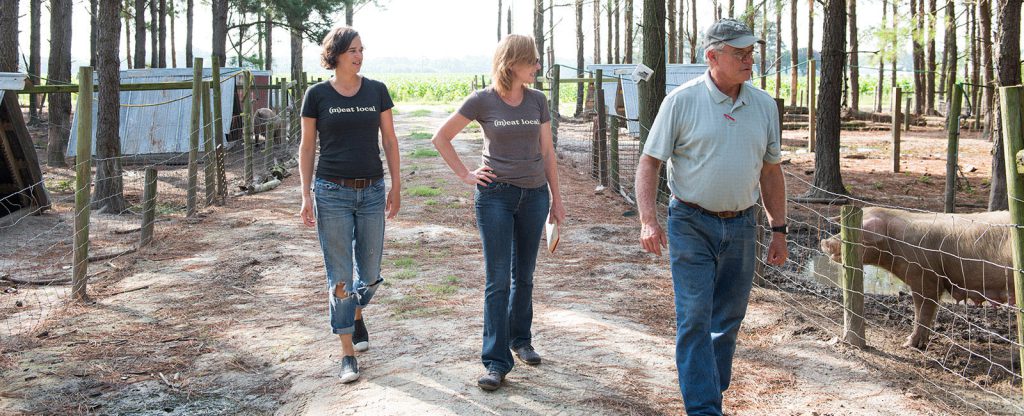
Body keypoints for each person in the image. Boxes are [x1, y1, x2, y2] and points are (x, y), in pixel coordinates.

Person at [634, 18, 789, 415]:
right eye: (740, 53)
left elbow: (771, 171)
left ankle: (708, 391)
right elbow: (649, 163)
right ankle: (704, 408)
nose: (749, 59)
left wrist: (779, 229)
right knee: (694, 317)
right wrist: (648, 221)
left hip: (742, 224)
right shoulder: (682, 101)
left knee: (729, 319)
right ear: (712, 56)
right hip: (690, 222)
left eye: (751, 52)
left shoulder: (764, 105)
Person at [431, 34, 566, 392]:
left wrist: (557, 199)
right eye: (533, 61)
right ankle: (495, 362)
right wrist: (465, 174)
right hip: (495, 198)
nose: (538, 66)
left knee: (524, 275)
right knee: (498, 281)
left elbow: (548, 153)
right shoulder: (482, 101)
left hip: (535, 196)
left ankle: (521, 340)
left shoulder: (538, 100)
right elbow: (440, 137)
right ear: (512, 64)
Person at [298, 26, 401, 384]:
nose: (359, 55)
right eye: (352, 50)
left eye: (361, 49)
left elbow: (389, 139)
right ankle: (347, 354)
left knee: (369, 274)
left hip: (372, 190)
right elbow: (308, 146)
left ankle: (355, 313)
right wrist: (305, 193)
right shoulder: (317, 95)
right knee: (340, 276)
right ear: (337, 54)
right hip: (331, 192)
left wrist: (396, 185)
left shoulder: (376, 91)